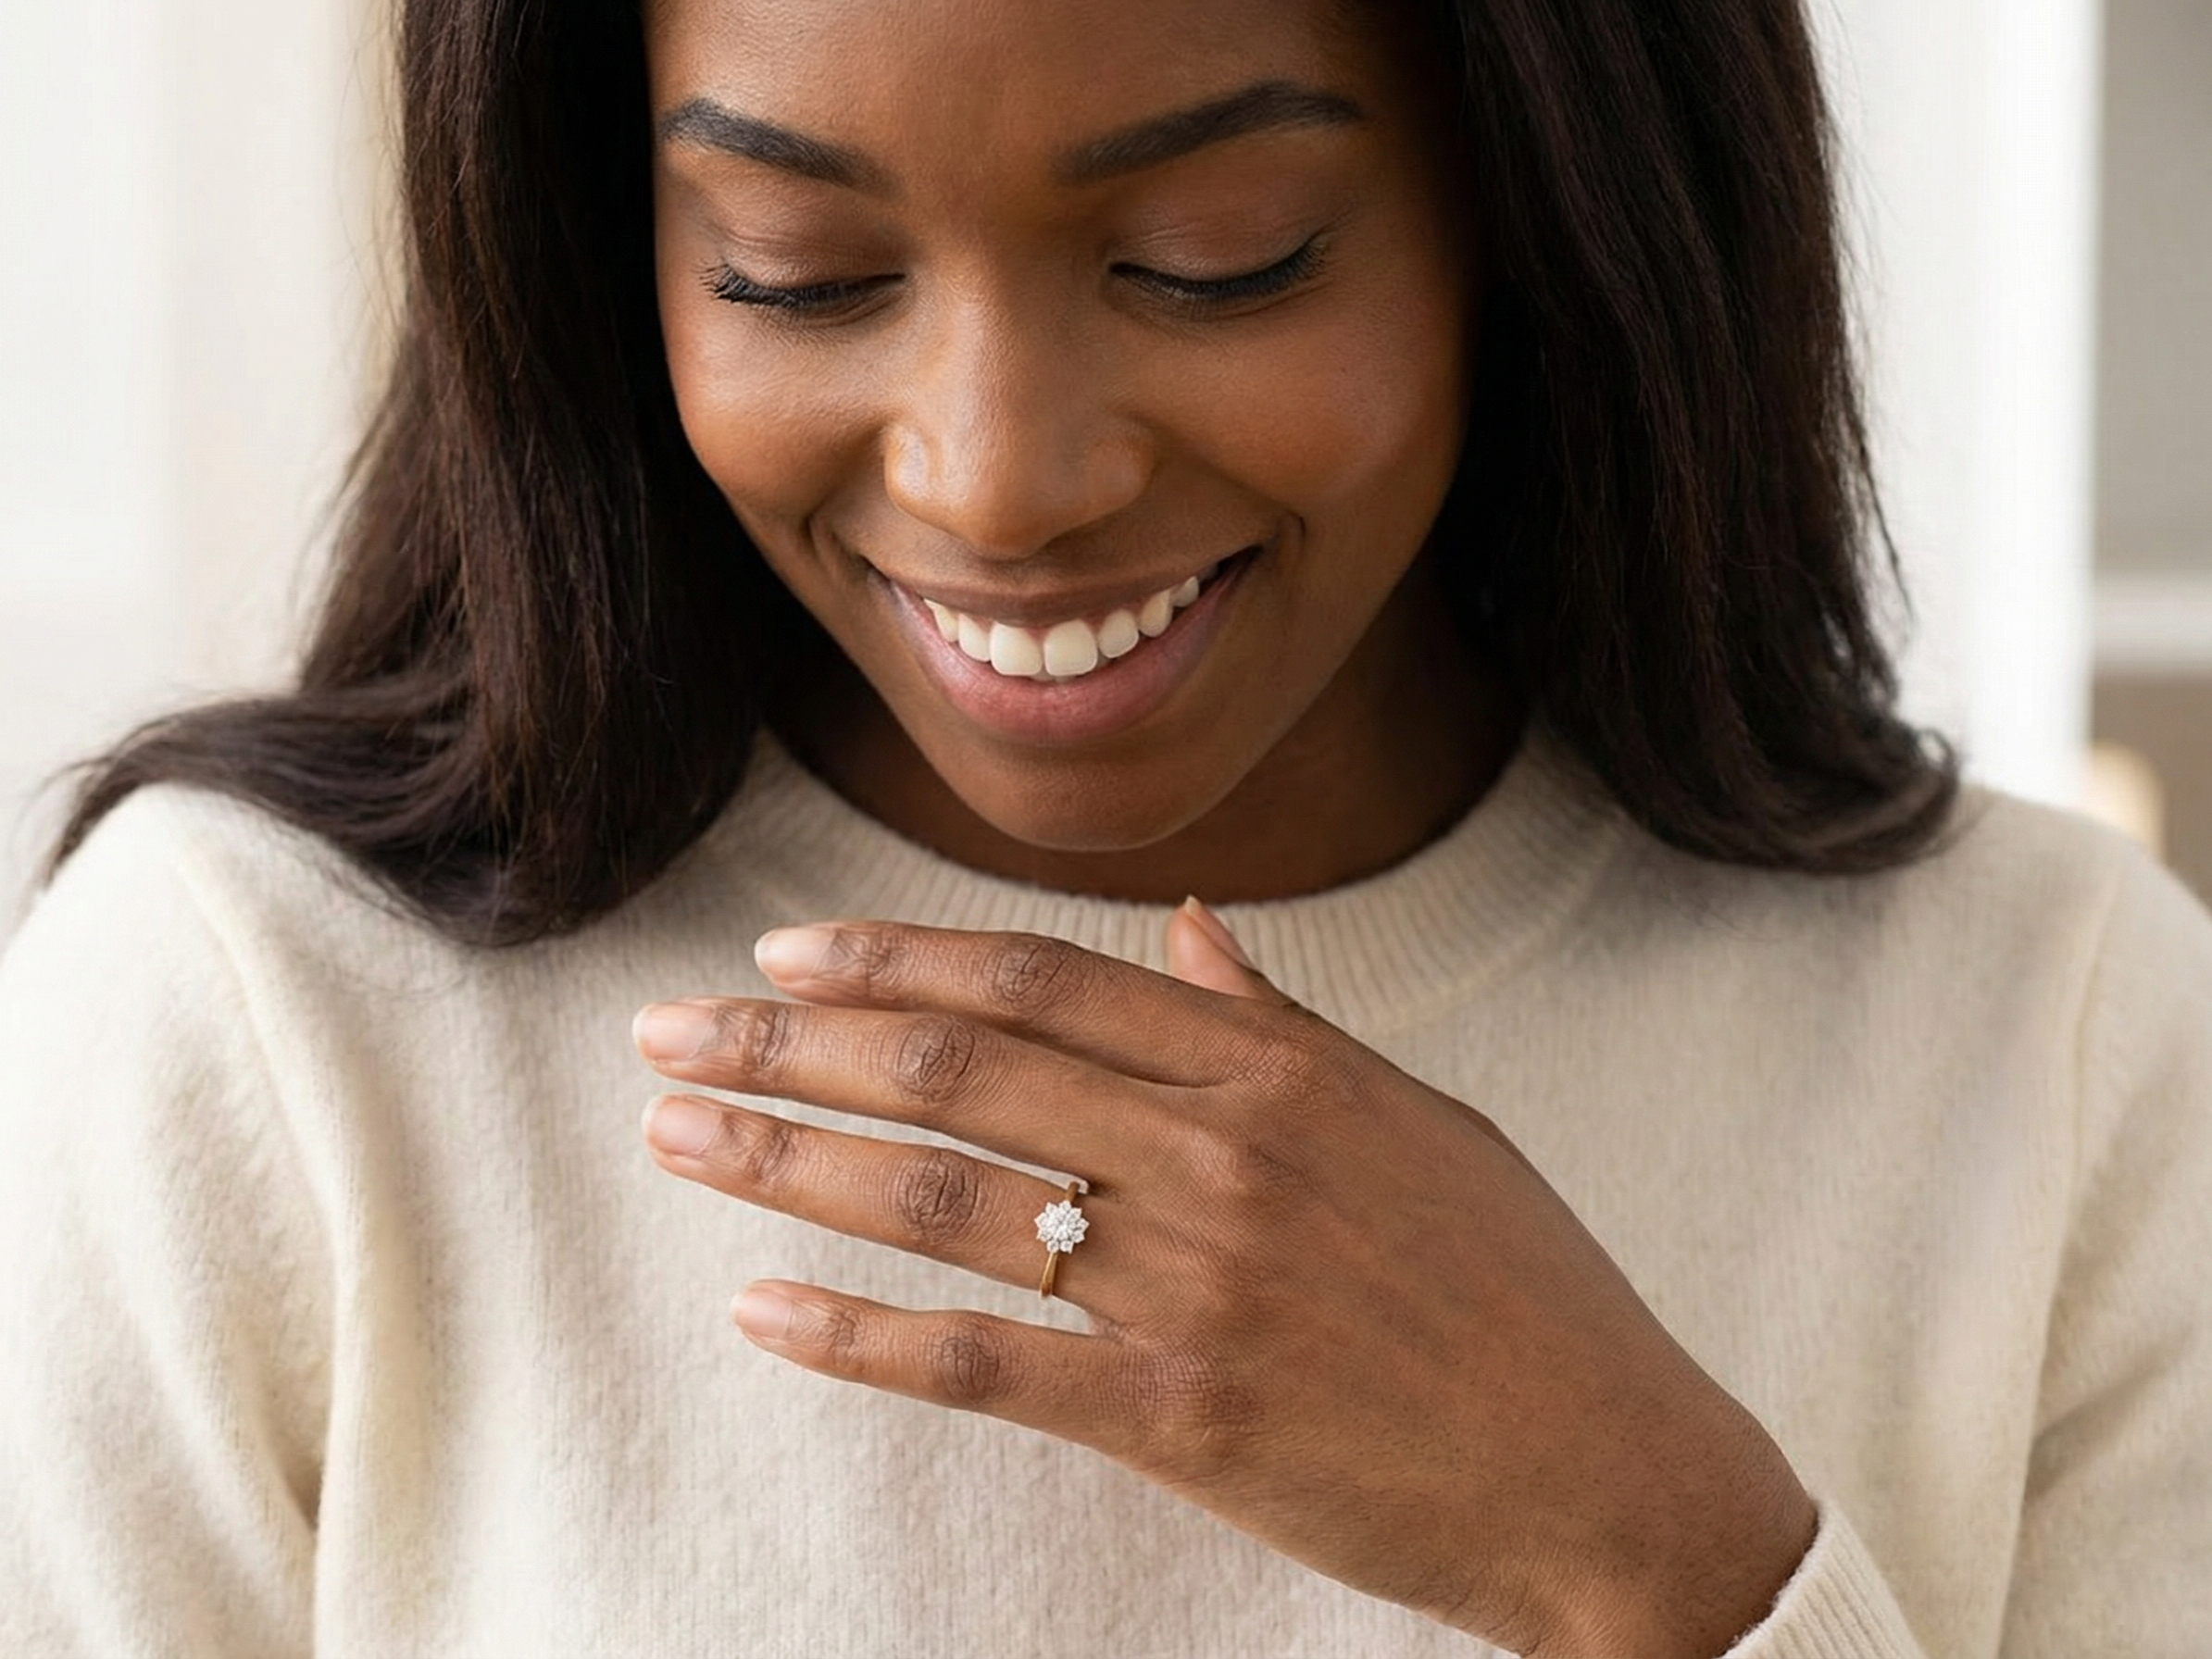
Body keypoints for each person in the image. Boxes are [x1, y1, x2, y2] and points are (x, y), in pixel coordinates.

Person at [2, 0, 2206, 1653]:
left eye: (1218, 256)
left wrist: (1649, 1543)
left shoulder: (2060, 1032)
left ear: (1552, 198)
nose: (996, 476)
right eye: (792, 267)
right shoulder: (247, 1015)